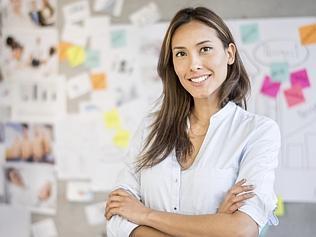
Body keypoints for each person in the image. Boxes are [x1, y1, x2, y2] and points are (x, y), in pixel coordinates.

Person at [105, 7, 280, 237]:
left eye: (205, 49)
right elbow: (117, 219)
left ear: (230, 54)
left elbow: (241, 229)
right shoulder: (150, 129)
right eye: (181, 54)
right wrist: (214, 223)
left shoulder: (258, 132)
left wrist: (144, 215)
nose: (193, 65)